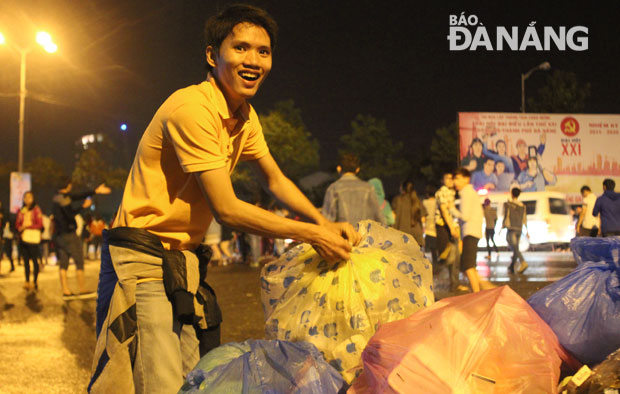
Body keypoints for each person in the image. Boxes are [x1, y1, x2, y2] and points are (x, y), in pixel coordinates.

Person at [90, 5, 360, 393]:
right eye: (241, 48)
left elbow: (275, 179)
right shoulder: (193, 109)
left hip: (182, 261)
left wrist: (322, 220)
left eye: (263, 52)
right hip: (142, 261)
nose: (253, 61)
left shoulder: (244, 117)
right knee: (156, 383)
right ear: (212, 55)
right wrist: (313, 236)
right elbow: (228, 209)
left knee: (192, 381)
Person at [52, 179, 111, 298]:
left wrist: (94, 191)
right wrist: (83, 206)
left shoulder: (56, 198)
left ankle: (66, 290)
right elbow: (70, 214)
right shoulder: (64, 200)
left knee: (63, 263)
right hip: (69, 234)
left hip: (59, 236)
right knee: (79, 260)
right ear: (68, 186)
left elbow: (77, 196)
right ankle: (82, 289)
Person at [452, 169, 496, 292]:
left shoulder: (466, 193)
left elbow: (465, 216)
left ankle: (478, 294)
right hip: (472, 231)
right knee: (467, 266)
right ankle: (486, 288)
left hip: (470, 231)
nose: (455, 181)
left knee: (468, 266)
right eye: (455, 178)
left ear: (466, 179)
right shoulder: (469, 192)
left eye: (458, 178)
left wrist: (451, 209)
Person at [322, 152, 385, 225]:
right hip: (364, 235)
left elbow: (327, 220)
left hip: (343, 235)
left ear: (338, 169)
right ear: (357, 169)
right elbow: (379, 217)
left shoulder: (333, 188)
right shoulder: (368, 188)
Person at [434, 172, 466, 291]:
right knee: (451, 256)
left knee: (455, 256)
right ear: (442, 180)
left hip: (449, 226)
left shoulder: (451, 192)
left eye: (451, 178)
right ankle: (435, 270)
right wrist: (452, 228)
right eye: (446, 178)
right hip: (445, 227)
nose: (450, 180)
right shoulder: (444, 191)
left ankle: (454, 283)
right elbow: (444, 210)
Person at [16, 191, 43, 290]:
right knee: (26, 261)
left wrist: (27, 226)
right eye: (25, 197)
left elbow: (40, 224)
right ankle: (27, 281)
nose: (27, 199)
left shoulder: (37, 210)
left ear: (33, 199)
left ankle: (34, 281)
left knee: (35, 261)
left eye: (30, 197)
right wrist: (19, 228)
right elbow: (17, 223)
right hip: (23, 238)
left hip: (33, 238)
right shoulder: (21, 210)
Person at [392, 180, 426, 247]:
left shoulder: (397, 200)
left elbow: (393, 218)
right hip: (416, 236)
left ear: (402, 188)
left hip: (402, 236)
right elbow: (423, 219)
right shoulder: (417, 201)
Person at [503, 187, 529, 274]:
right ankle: (512, 267)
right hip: (519, 228)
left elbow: (506, 215)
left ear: (512, 194)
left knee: (513, 247)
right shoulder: (522, 206)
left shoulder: (509, 204)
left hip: (512, 228)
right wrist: (527, 230)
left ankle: (523, 262)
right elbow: (524, 218)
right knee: (515, 247)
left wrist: (503, 225)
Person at [422, 185, 438, 267]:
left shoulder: (425, 202)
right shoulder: (437, 202)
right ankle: (436, 265)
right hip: (436, 228)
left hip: (427, 228)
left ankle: (428, 266)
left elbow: (423, 217)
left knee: (427, 249)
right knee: (435, 249)